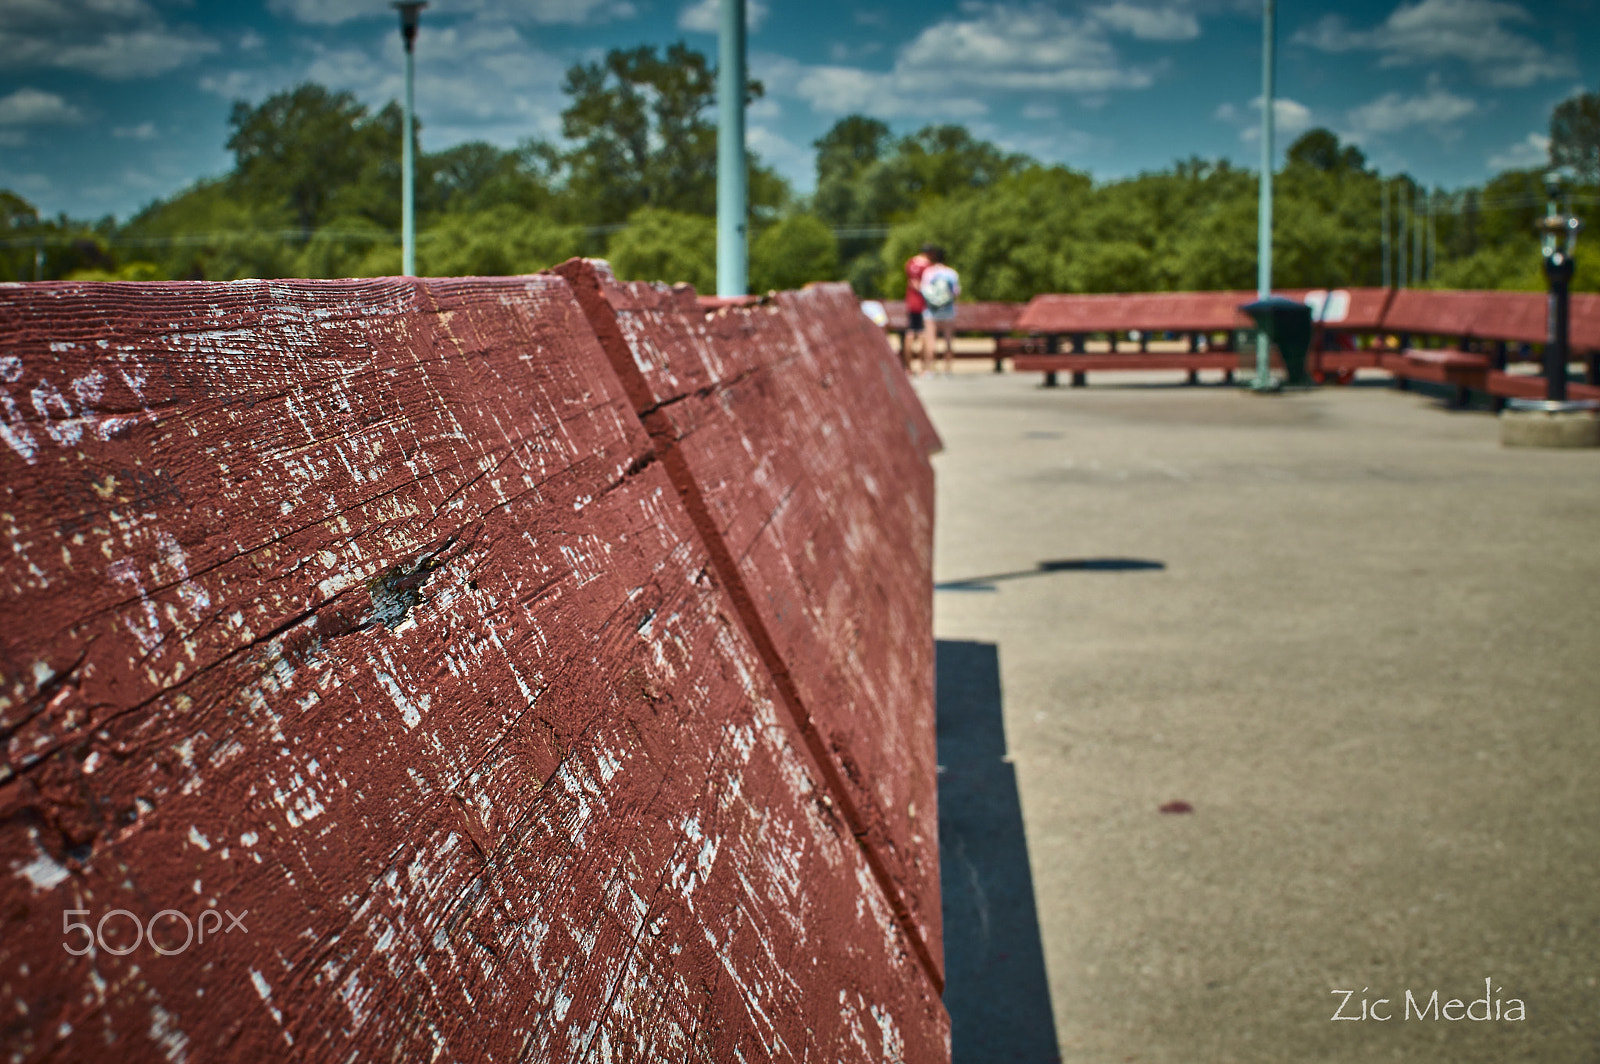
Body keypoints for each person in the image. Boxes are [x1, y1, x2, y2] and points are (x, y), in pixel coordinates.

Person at [919, 246, 960, 376]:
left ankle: (930, 370)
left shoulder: (929, 272)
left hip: (931, 311)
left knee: (931, 340)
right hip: (948, 310)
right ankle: (947, 369)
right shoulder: (952, 273)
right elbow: (956, 292)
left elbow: (924, 290)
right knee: (948, 341)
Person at [902, 245, 933, 373]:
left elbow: (910, 280)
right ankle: (922, 368)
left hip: (910, 301)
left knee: (909, 334)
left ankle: (908, 367)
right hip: (922, 303)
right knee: (922, 335)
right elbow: (924, 285)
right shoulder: (927, 266)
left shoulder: (910, 262)